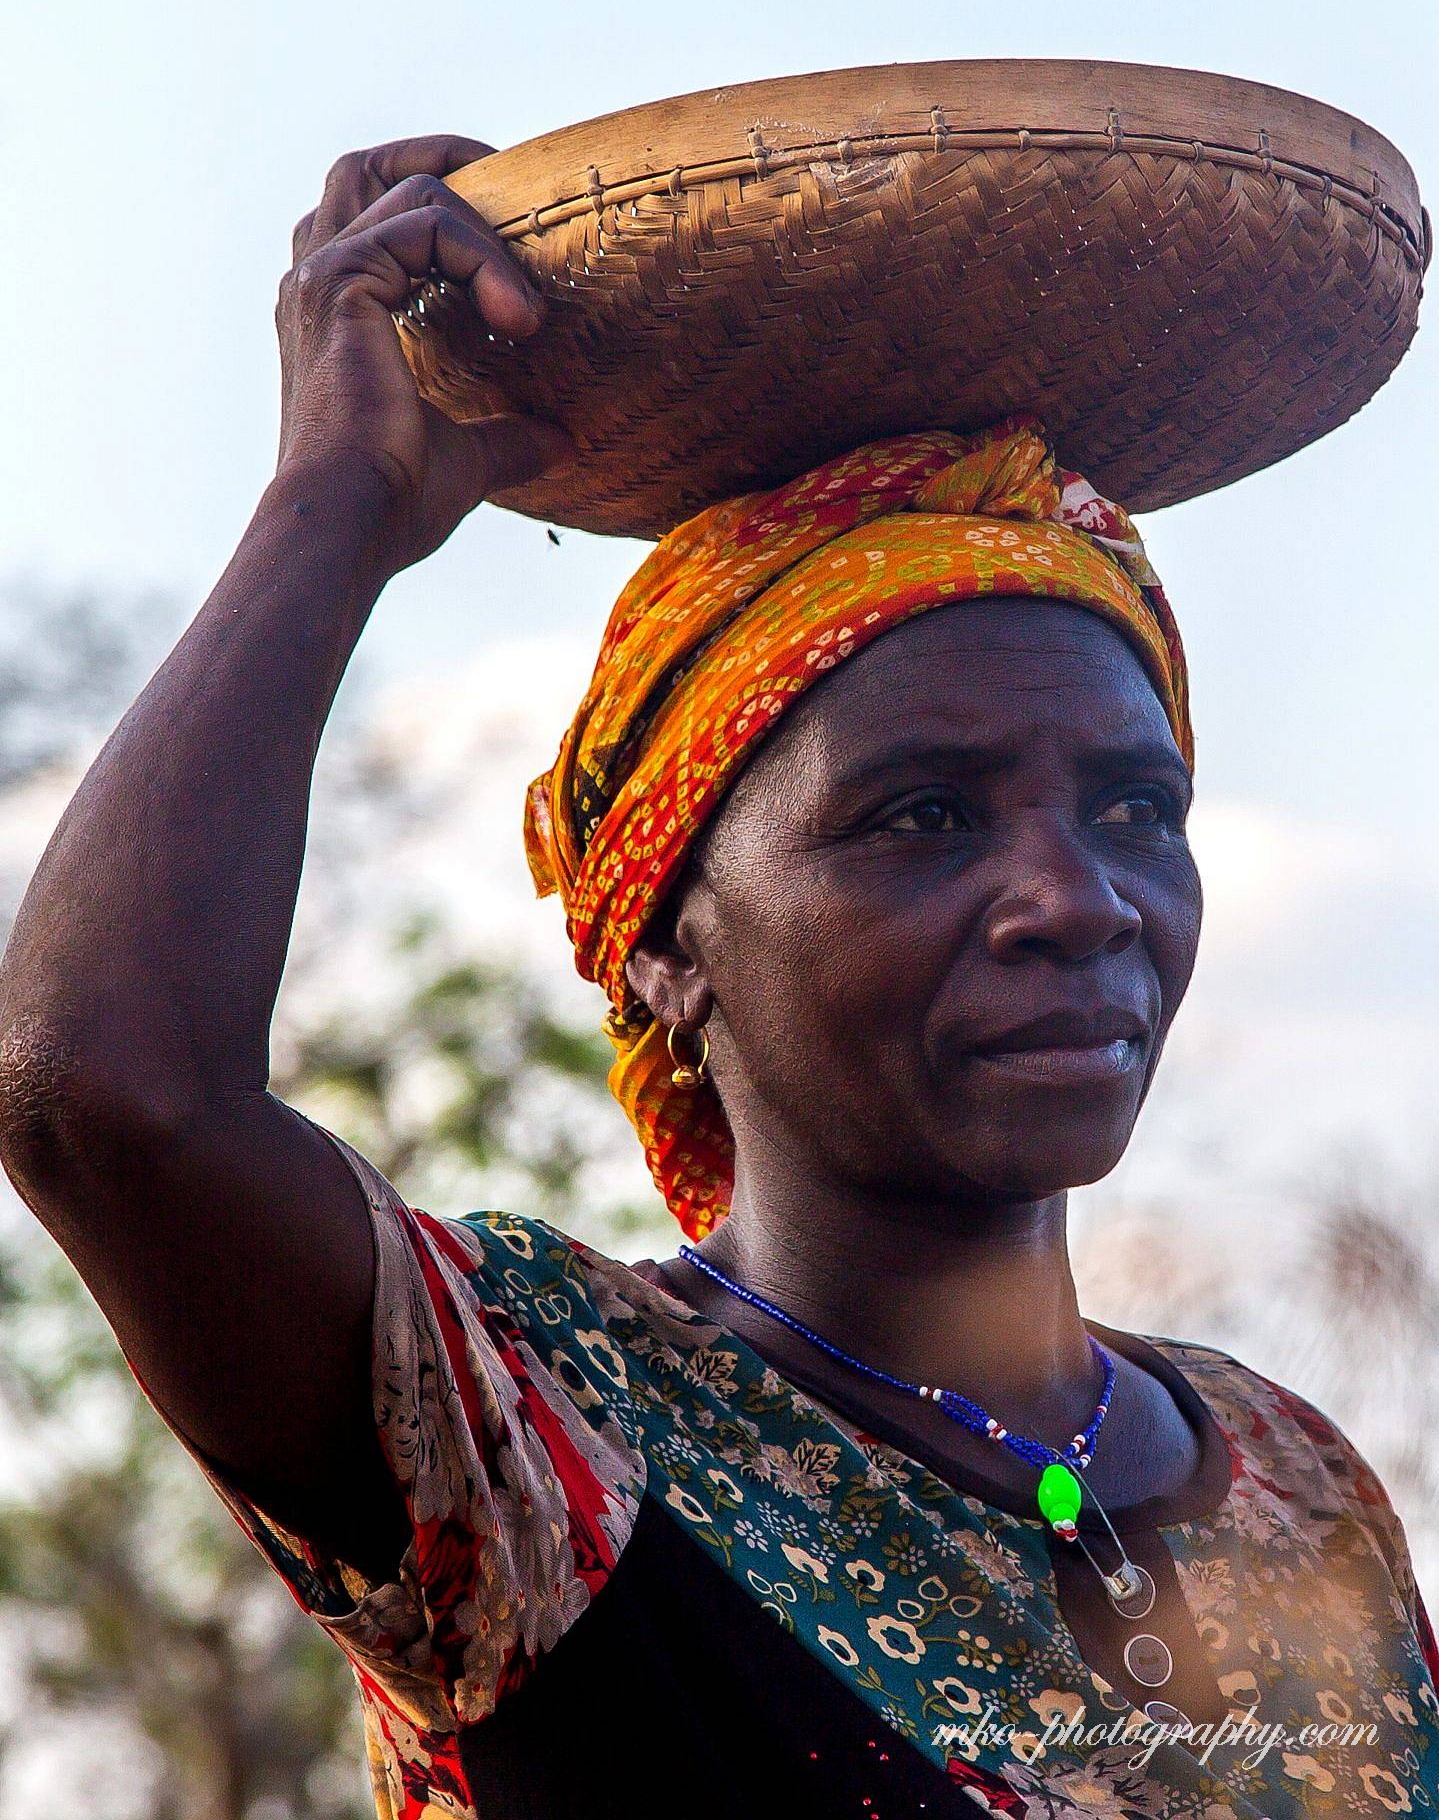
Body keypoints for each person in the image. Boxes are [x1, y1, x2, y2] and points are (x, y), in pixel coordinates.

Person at [0, 133, 1434, 1820]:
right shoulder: (540, 1429)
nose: (1073, 894)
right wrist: (336, 504)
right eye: (922, 814)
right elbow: (105, 1090)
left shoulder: (1293, 1478)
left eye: (1136, 805)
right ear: (668, 942)